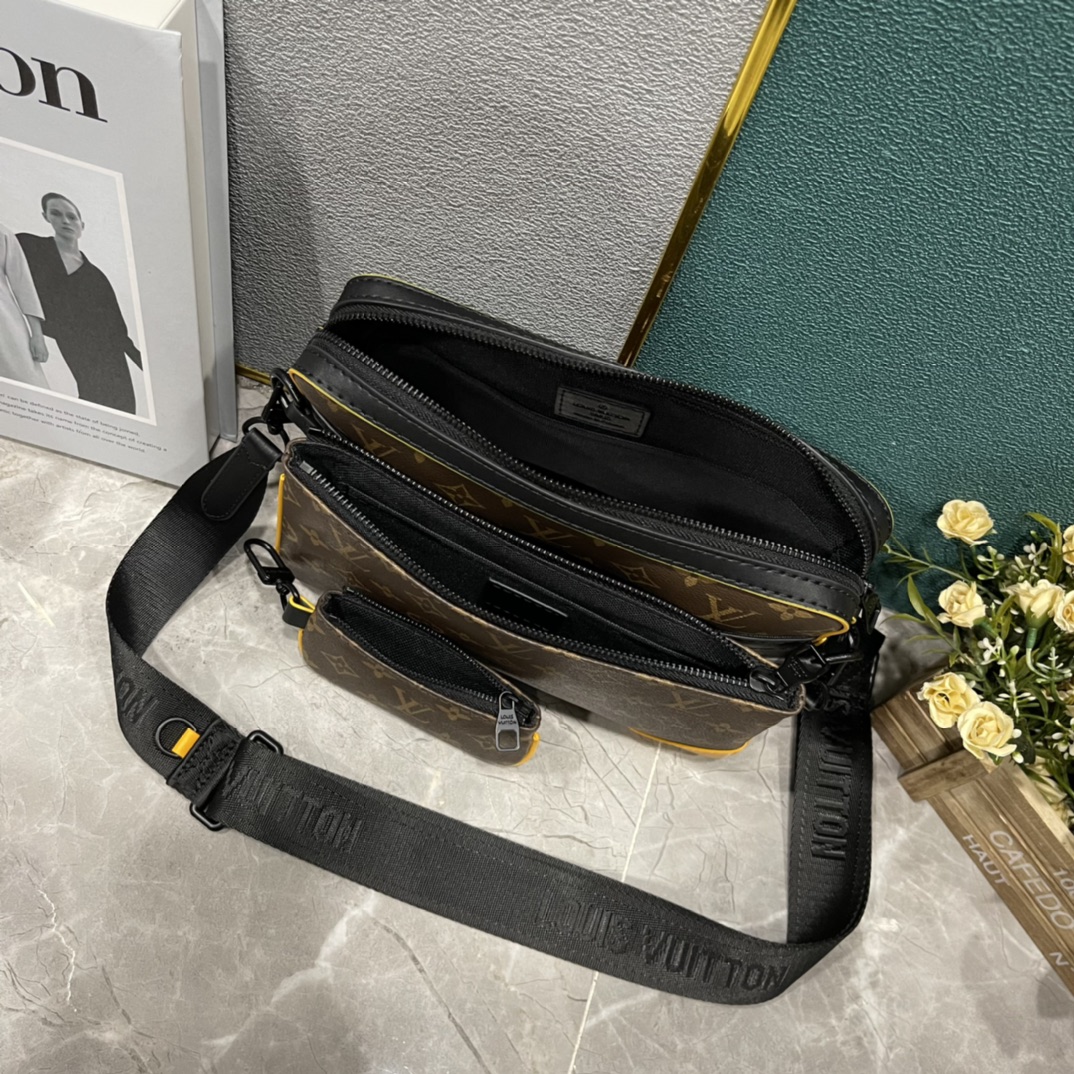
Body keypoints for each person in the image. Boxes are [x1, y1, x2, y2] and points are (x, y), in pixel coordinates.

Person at [19, 193, 142, 413]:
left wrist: (147, 369)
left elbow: (118, 332)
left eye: (71, 217)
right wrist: (36, 332)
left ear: (81, 225)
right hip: (69, 343)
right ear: (46, 217)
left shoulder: (97, 277)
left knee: (119, 407)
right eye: (56, 214)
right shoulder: (28, 245)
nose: (65, 221)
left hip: (108, 352)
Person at [0, 221, 50, 389]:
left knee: (29, 385)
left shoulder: (3, 234)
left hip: (5, 326)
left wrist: (37, 335)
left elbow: (23, 285)